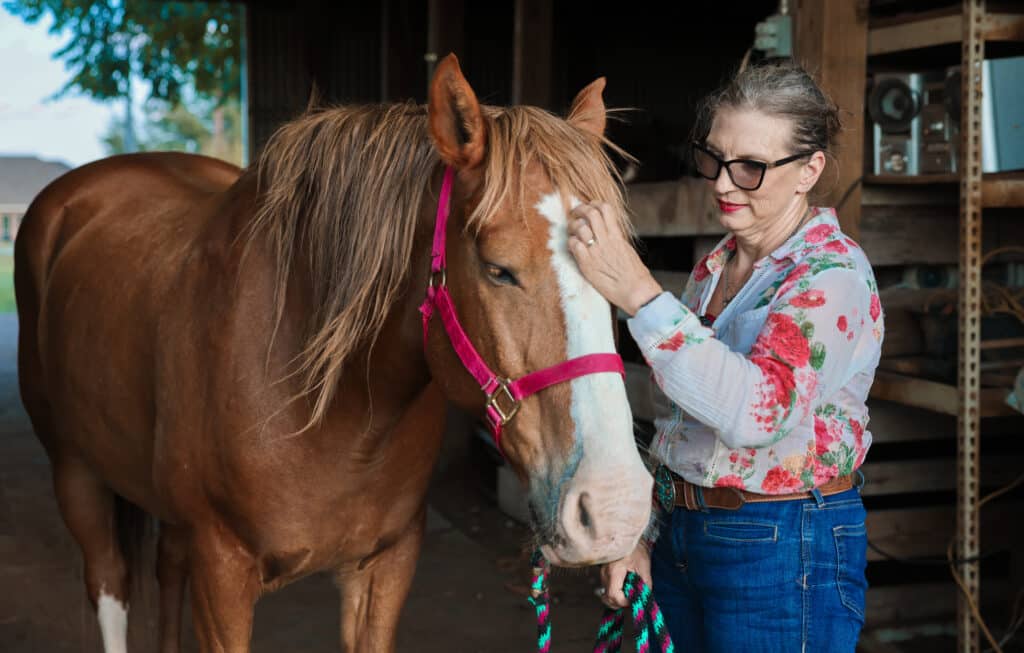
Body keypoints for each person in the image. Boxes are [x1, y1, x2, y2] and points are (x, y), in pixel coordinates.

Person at [567, 60, 883, 652]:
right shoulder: (716, 267)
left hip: (783, 540)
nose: (722, 182)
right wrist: (641, 531)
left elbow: (755, 416)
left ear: (809, 170)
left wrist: (638, 292)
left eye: (751, 167)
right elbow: (681, 421)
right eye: (712, 157)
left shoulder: (832, 274)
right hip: (683, 530)